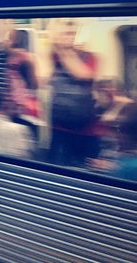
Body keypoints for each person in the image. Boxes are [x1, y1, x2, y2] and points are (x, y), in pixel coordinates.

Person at [48, 19, 99, 166]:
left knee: (87, 172)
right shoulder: (52, 56)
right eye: (64, 33)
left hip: (85, 129)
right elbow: (42, 78)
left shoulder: (90, 57)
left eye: (71, 33)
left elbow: (83, 74)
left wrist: (64, 51)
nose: (68, 37)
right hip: (59, 127)